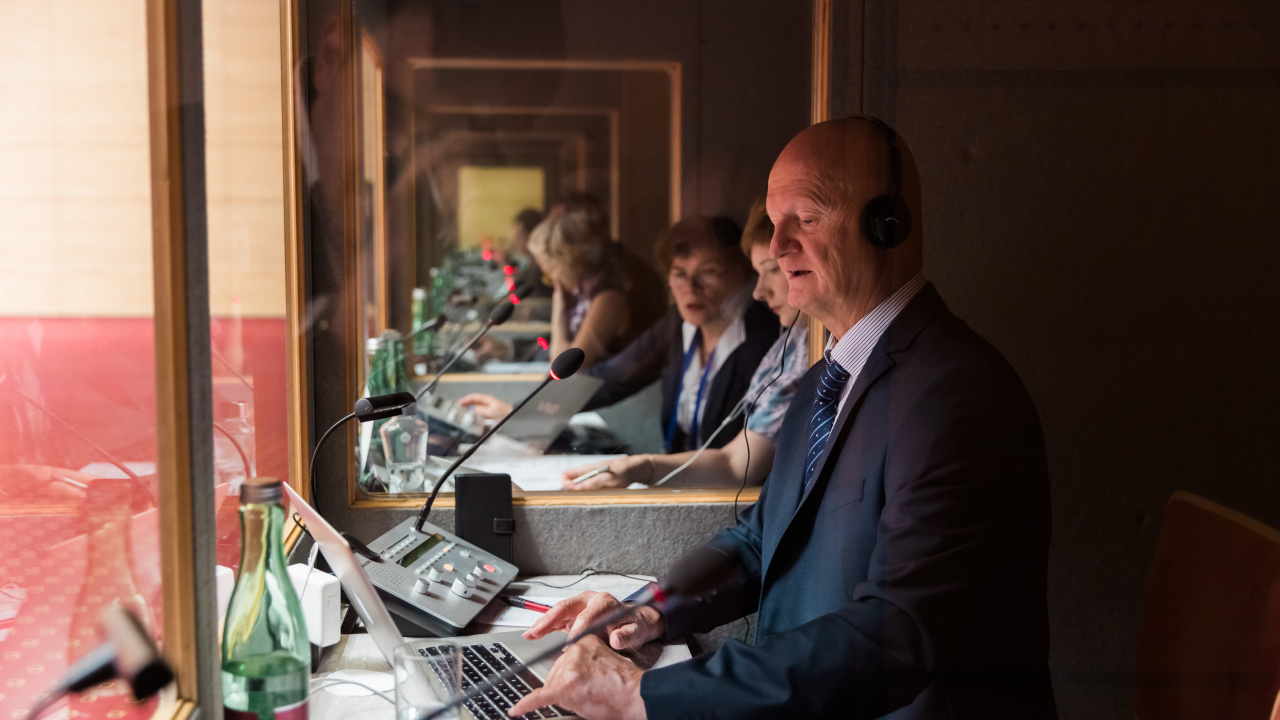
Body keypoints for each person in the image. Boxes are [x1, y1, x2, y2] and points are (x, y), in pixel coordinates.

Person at [509, 117, 1056, 719]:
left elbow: (895, 637)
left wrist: (644, 696)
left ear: (887, 224)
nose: (777, 246)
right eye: (775, 222)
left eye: (808, 217)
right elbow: (760, 538)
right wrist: (649, 610)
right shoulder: (830, 375)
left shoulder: (955, 396)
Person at [562, 199, 808, 489]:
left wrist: (645, 468)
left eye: (708, 273)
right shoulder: (677, 323)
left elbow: (738, 465)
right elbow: (613, 376)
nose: (691, 288)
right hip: (681, 489)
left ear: (740, 273)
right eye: (680, 274)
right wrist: (536, 408)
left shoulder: (777, 334)